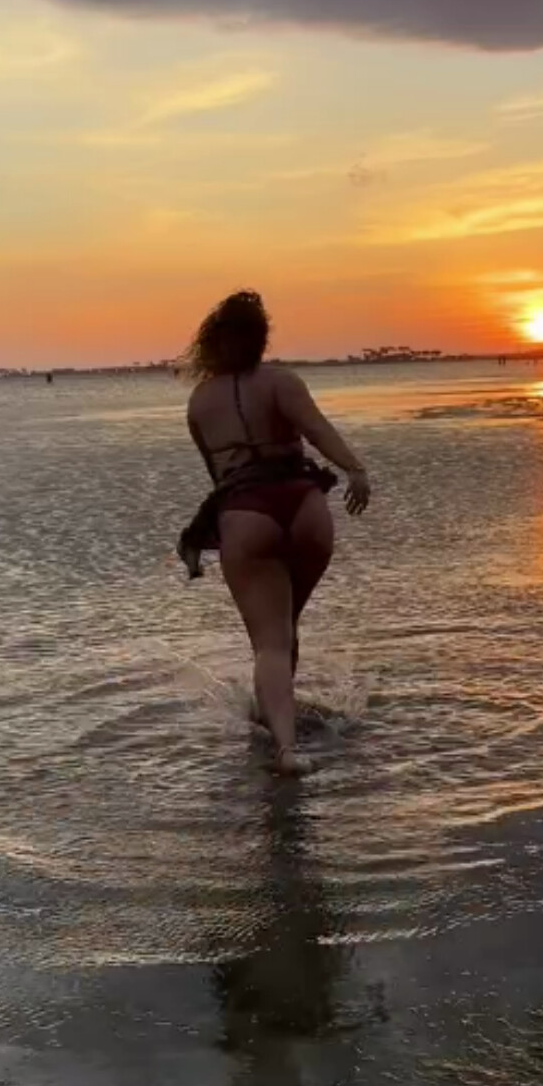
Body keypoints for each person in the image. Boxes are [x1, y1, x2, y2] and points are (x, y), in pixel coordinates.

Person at [181, 290, 371, 775]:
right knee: (284, 629)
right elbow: (318, 431)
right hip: (306, 509)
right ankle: (273, 713)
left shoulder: (200, 401)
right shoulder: (282, 382)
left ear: (213, 342)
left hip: (248, 515)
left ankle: (284, 748)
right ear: (262, 339)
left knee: (270, 640)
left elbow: (220, 478)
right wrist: (355, 470)